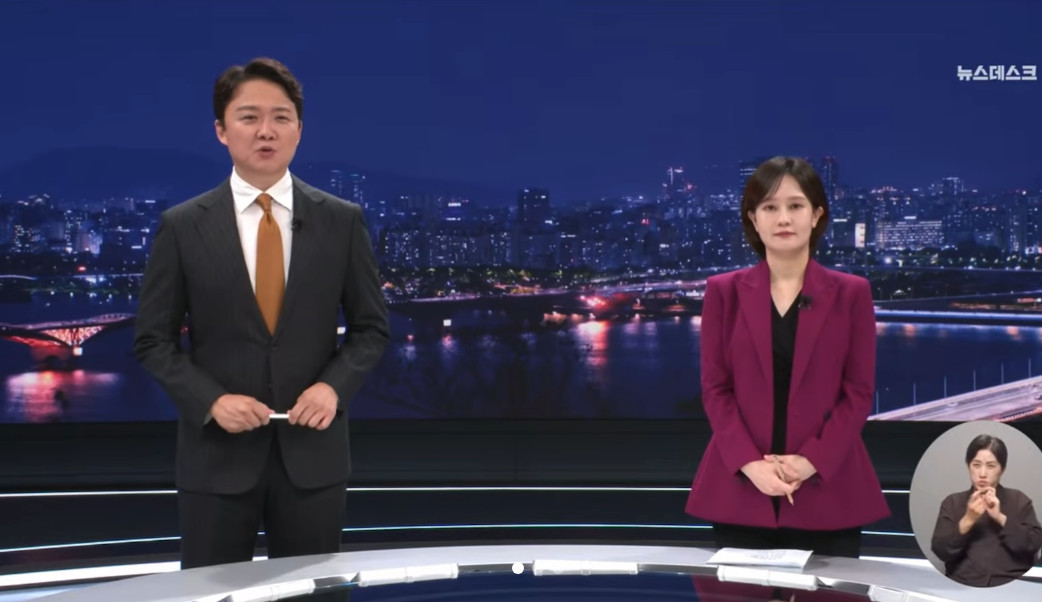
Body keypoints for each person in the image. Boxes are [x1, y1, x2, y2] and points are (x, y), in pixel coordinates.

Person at [133, 57, 389, 569]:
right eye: (249, 117)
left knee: (314, 592)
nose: (266, 131)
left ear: (299, 130)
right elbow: (153, 341)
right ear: (221, 130)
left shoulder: (342, 221)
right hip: (215, 460)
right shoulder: (182, 226)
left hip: (314, 459)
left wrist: (333, 388)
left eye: (281, 117)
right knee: (211, 594)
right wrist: (211, 401)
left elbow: (371, 329)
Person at [685, 156, 889, 558]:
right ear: (753, 218)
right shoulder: (723, 292)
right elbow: (716, 390)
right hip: (740, 491)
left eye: (796, 205)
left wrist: (810, 462)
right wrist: (750, 465)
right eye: (769, 207)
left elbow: (858, 393)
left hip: (828, 491)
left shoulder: (852, 293)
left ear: (816, 215)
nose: (783, 218)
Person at [930, 434, 1042, 587]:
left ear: (1002, 469)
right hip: (964, 584)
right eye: (976, 465)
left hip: (1013, 584)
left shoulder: (1019, 500)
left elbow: (1033, 545)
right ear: (968, 466)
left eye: (991, 466)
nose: (982, 474)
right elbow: (940, 550)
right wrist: (968, 519)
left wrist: (1000, 517)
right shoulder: (952, 502)